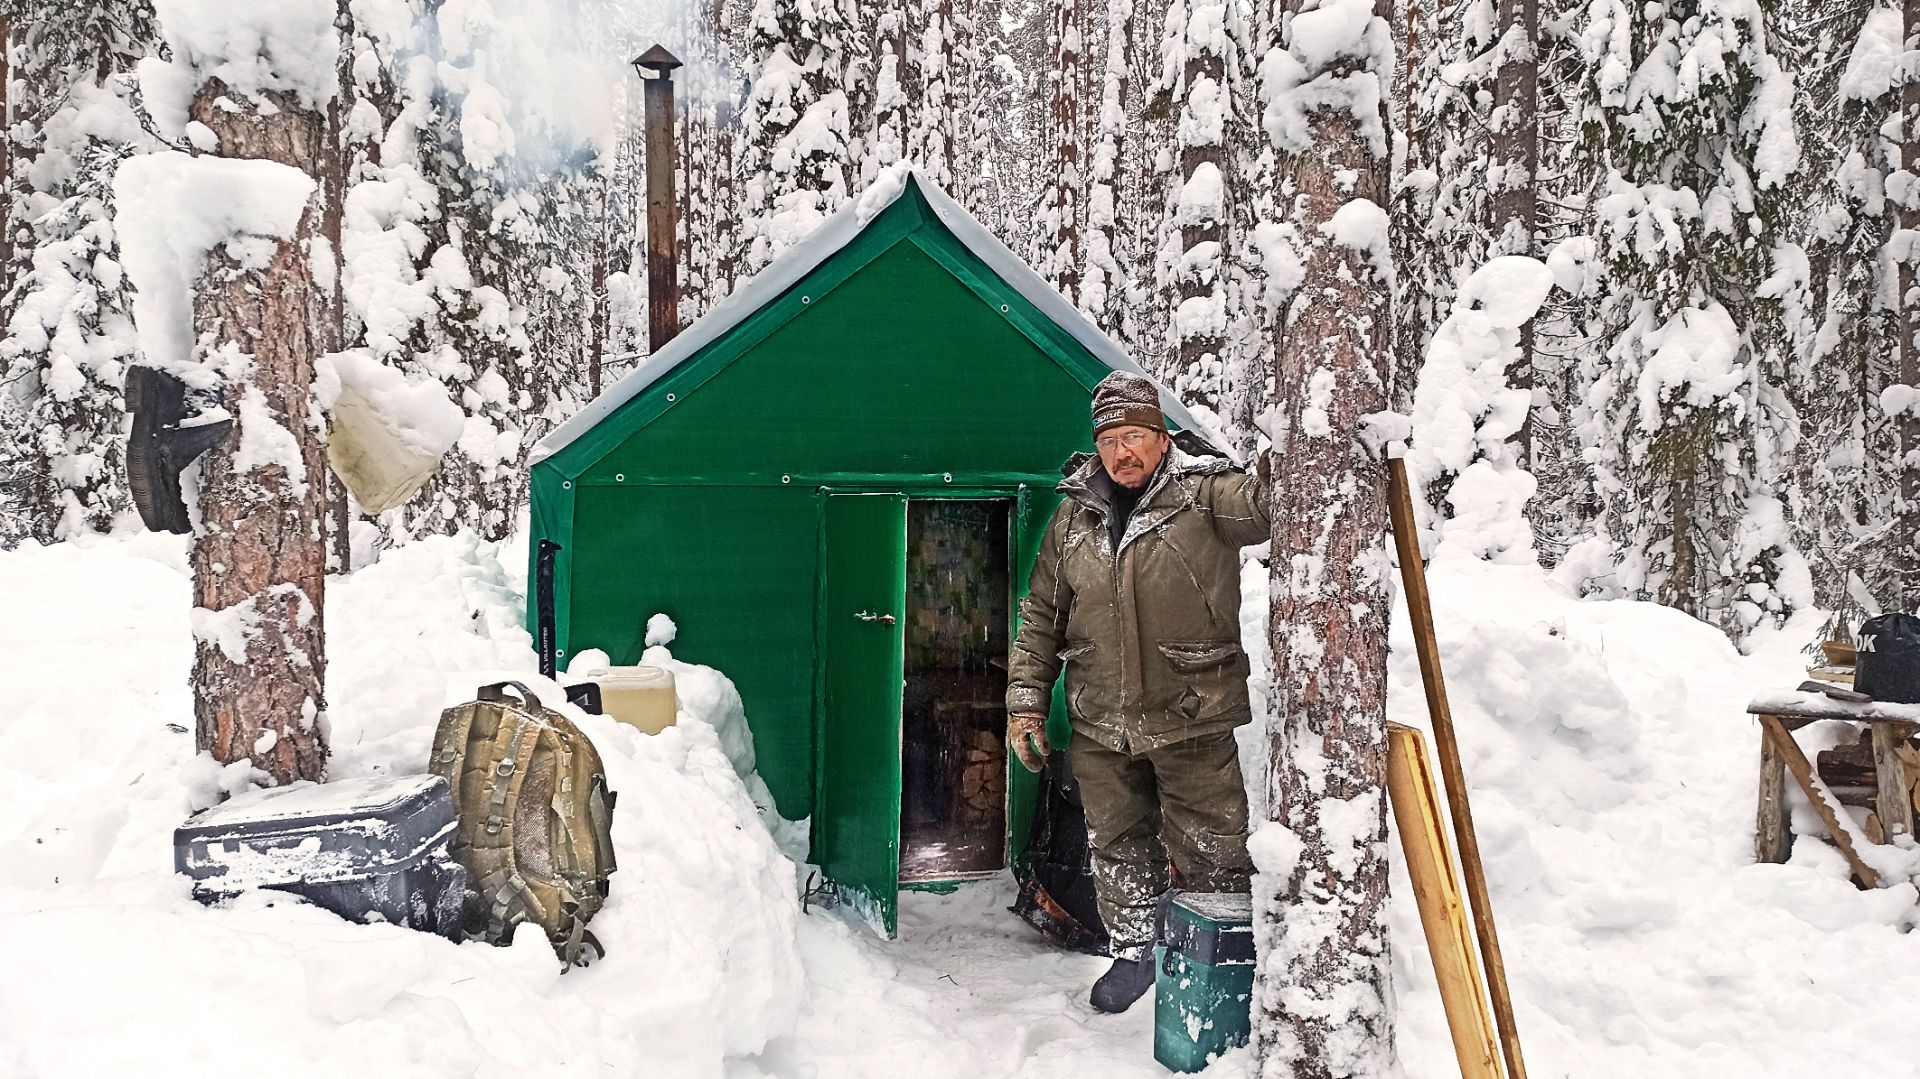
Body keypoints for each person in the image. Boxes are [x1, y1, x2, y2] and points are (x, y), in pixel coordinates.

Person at [1005, 370, 1270, 1014]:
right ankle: (1135, 950)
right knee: (1117, 839)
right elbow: (1041, 612)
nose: (1122, 452)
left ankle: (1219, 961)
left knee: (1212, 843)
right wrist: (1025, 704)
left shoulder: (1205, 494)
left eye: (1135, 436)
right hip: (1100, 717)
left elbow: (1271, 509)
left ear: (1161, 436)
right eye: (1110, 439)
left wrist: (1293, 441)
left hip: (1191, 712)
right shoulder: (1074, 513)